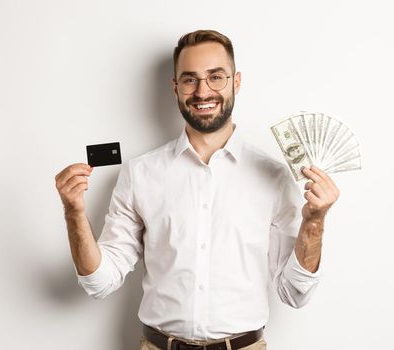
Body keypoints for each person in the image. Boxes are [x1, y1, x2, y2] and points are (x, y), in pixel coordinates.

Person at [54, 29, 340, 350]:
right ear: (175, 88)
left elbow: (296, 292)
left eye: (216, 77)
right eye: (190, 80)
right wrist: (73, 213)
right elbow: (99, 282)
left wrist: (314, 222)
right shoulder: (140, 173)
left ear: (236, 81)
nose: (203, 91)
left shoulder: (274, 176)